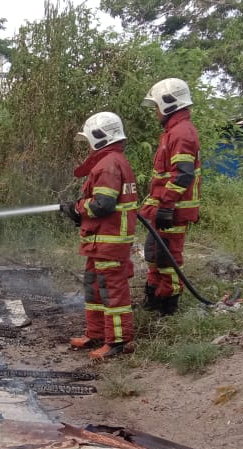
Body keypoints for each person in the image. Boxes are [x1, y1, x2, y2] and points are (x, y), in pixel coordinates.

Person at [60, 112, 138, 359]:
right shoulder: (110, 161)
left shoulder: (108, 164)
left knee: (112, 292)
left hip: (109, 241)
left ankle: (117, 341)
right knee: (94, 288)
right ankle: (96, 334)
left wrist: (76, 208)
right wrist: (79, 209)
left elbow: (103, 204)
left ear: (99, 137)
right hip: (99, 241)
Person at [140, 78, 201, 315]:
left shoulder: (182, 133)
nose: (155, 112)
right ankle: (154, 296)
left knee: (168, 257)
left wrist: (166, 206)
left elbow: (182, 175)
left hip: (174, 210)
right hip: (162, 209)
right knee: (154, 254)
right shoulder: (173, 131)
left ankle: (169, 305)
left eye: (156, 106)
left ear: (168, 104)